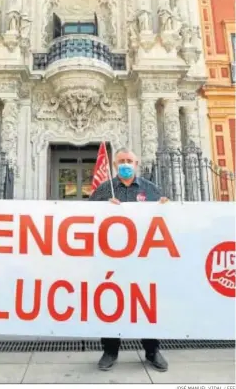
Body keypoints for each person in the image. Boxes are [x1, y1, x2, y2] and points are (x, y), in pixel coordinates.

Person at [89, 147, 169, 373]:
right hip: (111, 258)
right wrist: (103, 208)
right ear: (114, 166)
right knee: (111, 302)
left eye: (129, 161)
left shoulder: (151, 190)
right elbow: (86, 216)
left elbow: (164, 219)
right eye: (121, 161)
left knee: (145, 303)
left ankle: (152, 349)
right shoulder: (104, 189)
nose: (125, 164)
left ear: (136, 164)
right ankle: (110, 350)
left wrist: (166, 208)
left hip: (143, 259)